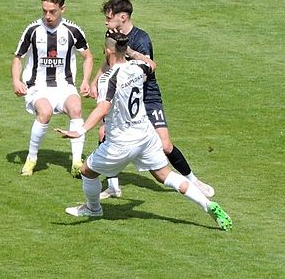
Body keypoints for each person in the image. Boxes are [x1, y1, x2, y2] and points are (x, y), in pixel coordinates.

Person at [56, 30, 232, 231]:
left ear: (107, 51)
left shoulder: (108, 79)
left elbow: (103, 108)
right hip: (146, 135)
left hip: (121, 141)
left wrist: (80, 130)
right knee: (165, 175)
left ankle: (93, 208)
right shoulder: (138, 67)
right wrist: (131, 52)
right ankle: (207, 205)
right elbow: (152, 64)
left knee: (87, 171)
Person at [96, 0, 215, 199]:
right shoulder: (112, 35)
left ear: (122, 17)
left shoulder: (141, 39)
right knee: (104, 134)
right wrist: (94, 81)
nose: (106, 22)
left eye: (109, 18)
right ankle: (113, 186)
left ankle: (193, 181)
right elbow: (109, 60)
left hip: (147, 96)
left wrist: (124, 76)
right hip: (124, 96)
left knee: (165, 145)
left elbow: (145, 72)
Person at [12, 0, 93, 177]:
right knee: (45, 111)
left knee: (76, 108)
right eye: (44, 11)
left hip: (64, 86)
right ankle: (31, 158)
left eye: (52, 11)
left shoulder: (72, 30)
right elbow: (18, 58)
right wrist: (16, 80)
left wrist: (86, 81)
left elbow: (88, 56)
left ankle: (76, 162)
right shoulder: (33, 30)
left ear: (62, 9)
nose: (47, 16)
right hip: (37, 86)